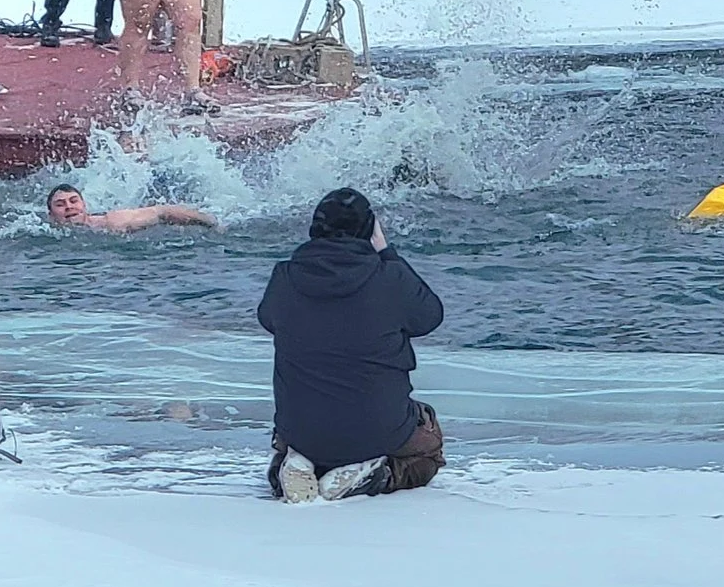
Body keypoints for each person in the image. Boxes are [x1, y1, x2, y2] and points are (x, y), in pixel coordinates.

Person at [258, 188, 446, 502]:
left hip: (302, 432)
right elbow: (430, 317)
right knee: (428, 450)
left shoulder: (285, 277)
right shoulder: (389, 277)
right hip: (378, 430)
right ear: (370, 230)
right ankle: (378, 476)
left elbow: (268, 319)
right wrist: (387, 252)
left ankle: (291, 466)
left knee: (303, 434)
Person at [44, 184, 216, 232]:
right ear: (51, 215)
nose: (69, 207)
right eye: (60, 204)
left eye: (74, 201)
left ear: (84, 206)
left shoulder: (113, 222)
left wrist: (211, 223)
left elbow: (162, 211)